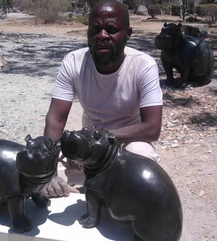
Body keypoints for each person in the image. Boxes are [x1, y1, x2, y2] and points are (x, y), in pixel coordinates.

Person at [43, 0, 163, 197]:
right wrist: (50, 175)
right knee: (42, 165)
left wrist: (93, 141)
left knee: (141, 156)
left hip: (128, 140)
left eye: (111, 29)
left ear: (128, 34)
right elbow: (55, 119)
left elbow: (152, 128)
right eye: (95, 29)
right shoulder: (73, 63)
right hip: (90, 141)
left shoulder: (143, 66)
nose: (102, 36)